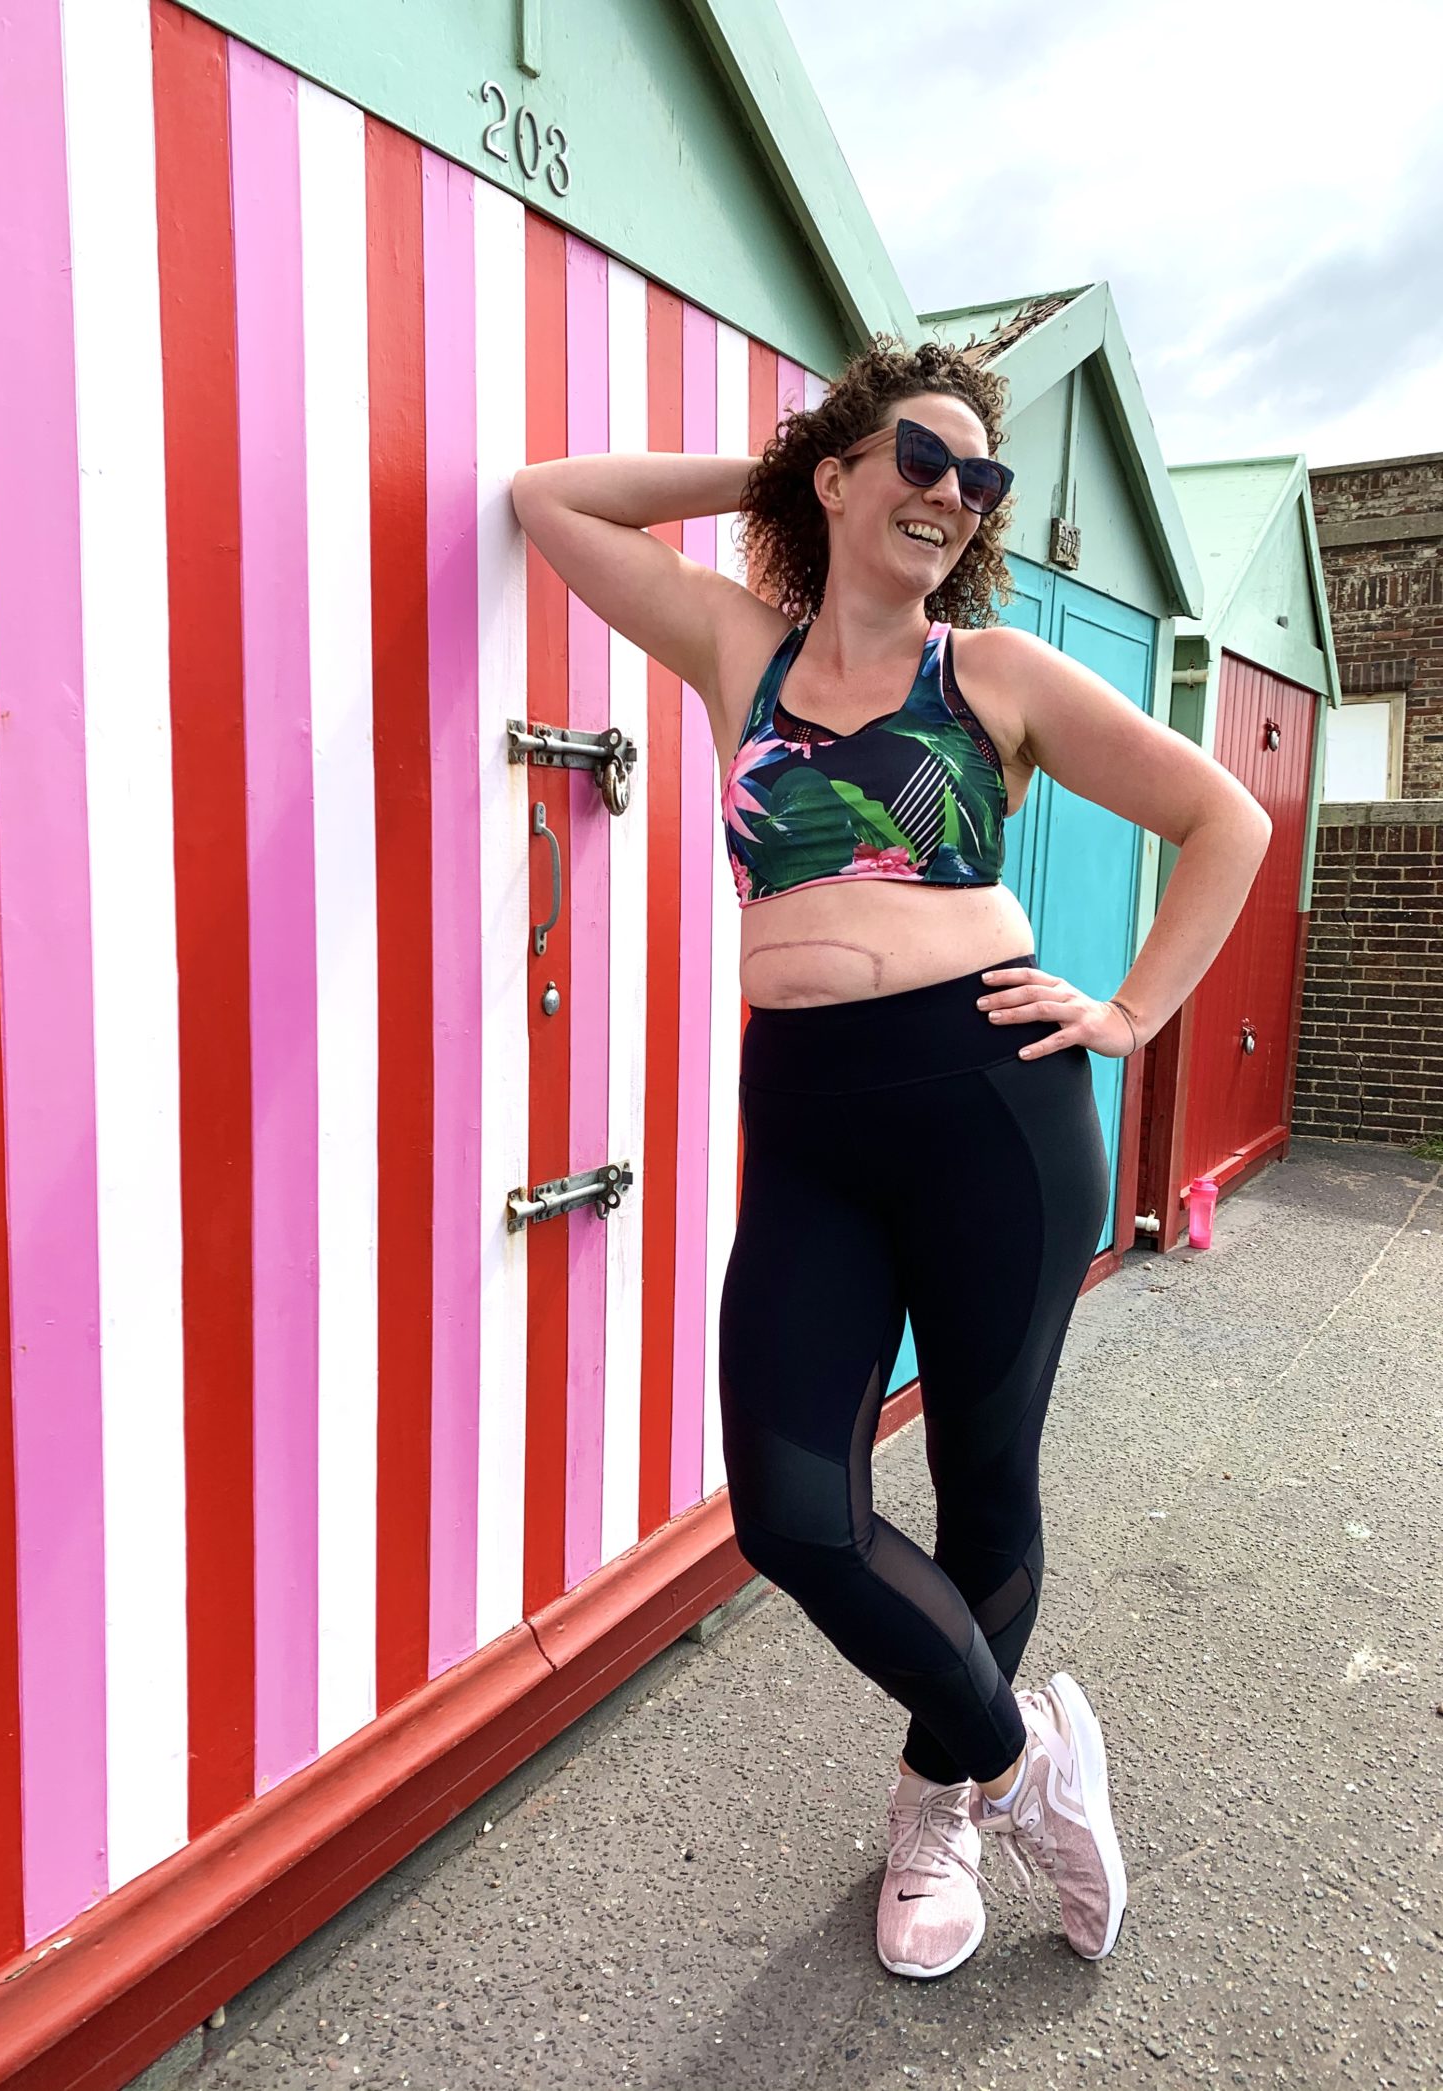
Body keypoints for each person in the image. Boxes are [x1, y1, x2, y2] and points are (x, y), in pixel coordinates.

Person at [510, 335, 1270, 1981]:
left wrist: (1134, 1013)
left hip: (995, 1106)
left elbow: (1232, 821)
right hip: (808, 1123)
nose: (952, 494)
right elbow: (549, 501)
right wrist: (771, 474)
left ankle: (936, 1809)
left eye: (978, 478)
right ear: (843, 473)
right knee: (792, 1511)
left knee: (984, 1480)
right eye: (919, 459)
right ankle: (1027, 1765)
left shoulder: (988, 673)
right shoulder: (741, 653)